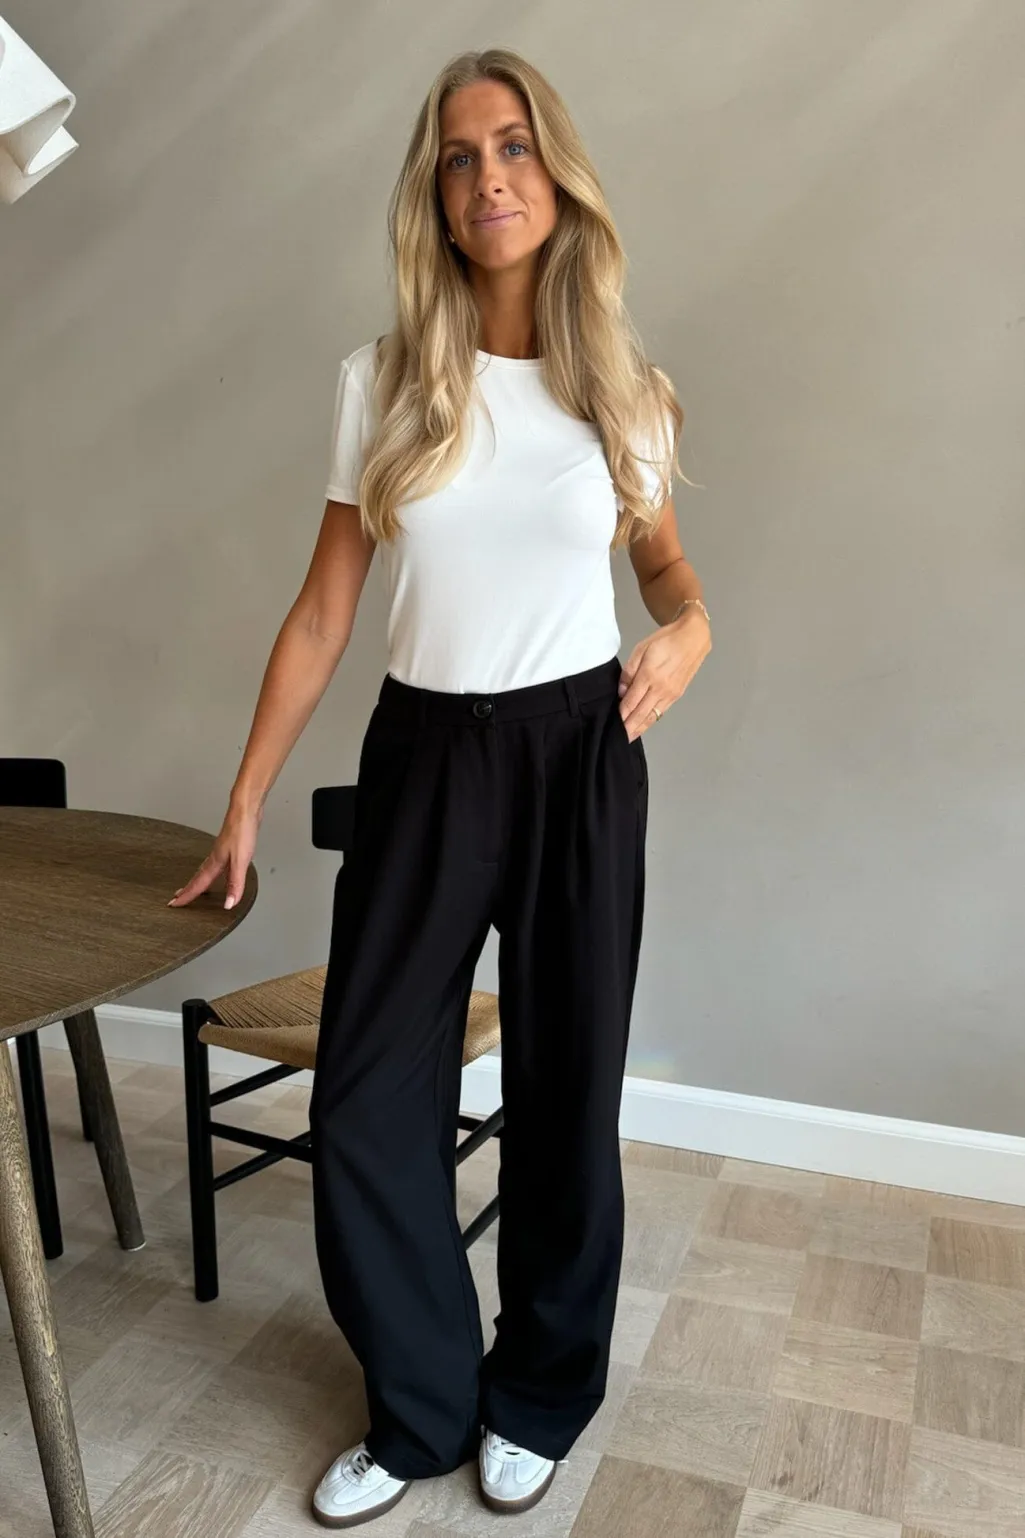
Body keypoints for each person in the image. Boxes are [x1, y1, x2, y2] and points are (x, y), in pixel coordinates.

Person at [169, 45, 711, 1530]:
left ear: (559, 174)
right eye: (460, 156)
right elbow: (323, 613)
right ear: (435, 194)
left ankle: (538, 1393)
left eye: (514, 146)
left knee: (565, 1092)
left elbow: (667, 572)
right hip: (426, 755)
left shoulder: (626, 393)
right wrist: (244, 795)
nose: (489, 178)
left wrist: (694, 629)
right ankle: (420, 1405)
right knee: (364, 1096)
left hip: (580, 753)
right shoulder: (386, 381)